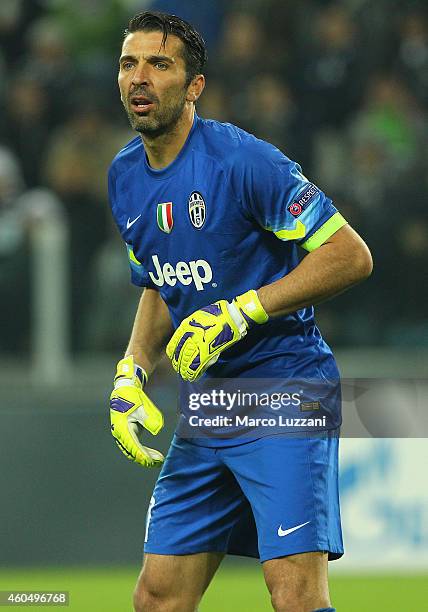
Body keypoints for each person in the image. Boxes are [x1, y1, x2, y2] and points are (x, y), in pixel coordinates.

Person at [107, 11, 373, 612]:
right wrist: (132, 370)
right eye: (129, 64)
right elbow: (158, 279)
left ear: (194, 86)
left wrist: (243, 310)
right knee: (157, 596)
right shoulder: (124, 176)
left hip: (285, 386)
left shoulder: (243, 162)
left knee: (293, 593)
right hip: (210, 403)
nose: (140, 78)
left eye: (159, 63)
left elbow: (350, 255)